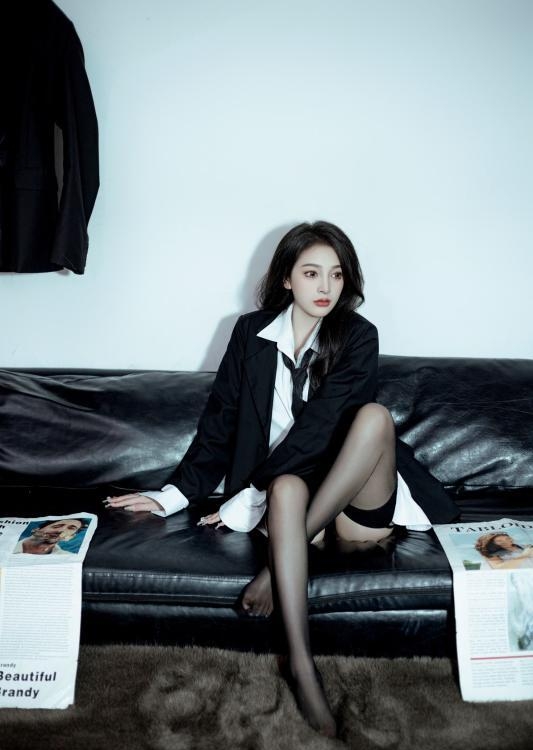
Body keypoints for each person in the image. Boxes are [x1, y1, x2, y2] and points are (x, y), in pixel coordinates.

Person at [106, 221, 459, 738]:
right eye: (311, 273)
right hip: (286, 500)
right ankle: (301, 663)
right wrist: (172, 496)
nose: (325, 287)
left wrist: (247, 498)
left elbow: (321, 428)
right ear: (287, 279)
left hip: (354, 503)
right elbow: (222, 420)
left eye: (336, 275)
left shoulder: (358, 335)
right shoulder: (249, 334)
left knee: (374, 418)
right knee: (287, 486)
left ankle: (277, 570)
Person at [13, 518, 87, 555]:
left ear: (70, 537)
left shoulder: (68, 557)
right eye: (56, 526)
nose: (60, 530)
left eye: (71, 528)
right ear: (36, 530)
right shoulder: (8, 546)